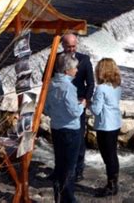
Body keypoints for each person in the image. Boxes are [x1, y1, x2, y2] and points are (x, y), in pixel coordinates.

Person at [46, 33, 94, 182]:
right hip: (59, 104)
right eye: (68, 46)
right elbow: (46, 79)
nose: (71, 49)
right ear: (62, 45)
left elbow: (91, 83)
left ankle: (78, 170)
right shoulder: (55, 58)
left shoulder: (84, 60)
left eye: (74, 46)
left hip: (77, 103)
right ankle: (59, 170)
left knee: (78, 138)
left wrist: (85, 100)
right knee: (58, 141)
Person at [44, 52, 86, 203]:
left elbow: (46, 109)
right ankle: (68, 199)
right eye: (75, 68)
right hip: (70, 130)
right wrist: (82, 105)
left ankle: (58, 197)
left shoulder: (51, 84)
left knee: (60, 165)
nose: (76, 71)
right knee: (70, 168)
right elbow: (74, 112)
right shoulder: (68, 87)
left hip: (56, 128)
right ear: (67, 70)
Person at [90, 58, 122, 197]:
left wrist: (87, 103)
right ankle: (113, 183)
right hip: (115, 123)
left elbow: (96, 110)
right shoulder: (117, 86)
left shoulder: (101, 88)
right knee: (113, 155)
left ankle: (111, 186)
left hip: (105, 126)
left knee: (107, 156)